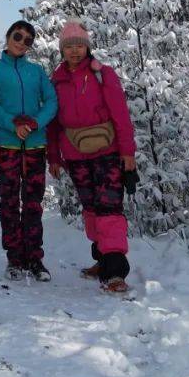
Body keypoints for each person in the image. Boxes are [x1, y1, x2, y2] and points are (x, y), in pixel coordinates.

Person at [47, 20, 137, 294]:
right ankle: (103, 261)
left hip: (107, 152)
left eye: (79, 45)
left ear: (87, 47)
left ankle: (115, 273)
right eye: (69, 46)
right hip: (75, 155)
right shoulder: (56, 81)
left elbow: (120, 114)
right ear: (62, 50)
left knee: (109, 208)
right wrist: (54, 156)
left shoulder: (102, 74)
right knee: (91, 209)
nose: (74, 51)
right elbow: (52, 122)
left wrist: (127, 152)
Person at [0, 21, 59, 281]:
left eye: (28, 40)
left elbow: (52, 101)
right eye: (18, 36)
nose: (22, 42)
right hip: (6, 146)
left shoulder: (36, 71)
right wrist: (13, 123)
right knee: (10, 203)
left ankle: (35, 259)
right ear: (8, 35)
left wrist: (35, 123)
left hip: (35, 146)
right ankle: (14, 258)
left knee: (33, 204)